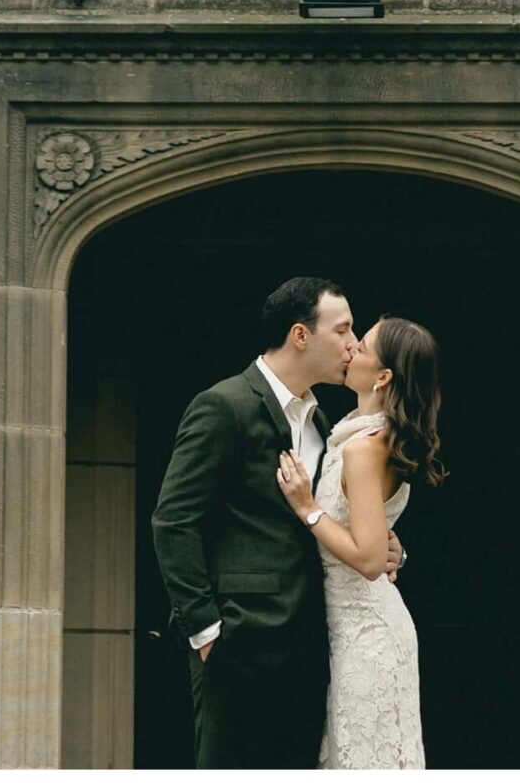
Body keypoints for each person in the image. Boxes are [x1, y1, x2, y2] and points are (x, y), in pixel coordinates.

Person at [151, 276, 404, 771]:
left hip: (311, 646)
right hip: (239, 646)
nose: (353, 345)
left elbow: (335, 518)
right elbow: (173, 521)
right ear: (300, 336)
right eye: (343, 330)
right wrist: (206, 634)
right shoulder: (225, 406)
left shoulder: (323, 424)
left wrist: (388, 544)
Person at [276, 313, 445, 772]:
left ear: (384, 375)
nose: (351, 349)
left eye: (363, 346)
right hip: (351, 627)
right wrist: (396, 549)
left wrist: (307, 507)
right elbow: (374, 537)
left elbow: (369, 559)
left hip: (367, 636)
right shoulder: (363, 434)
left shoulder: (364, 447)